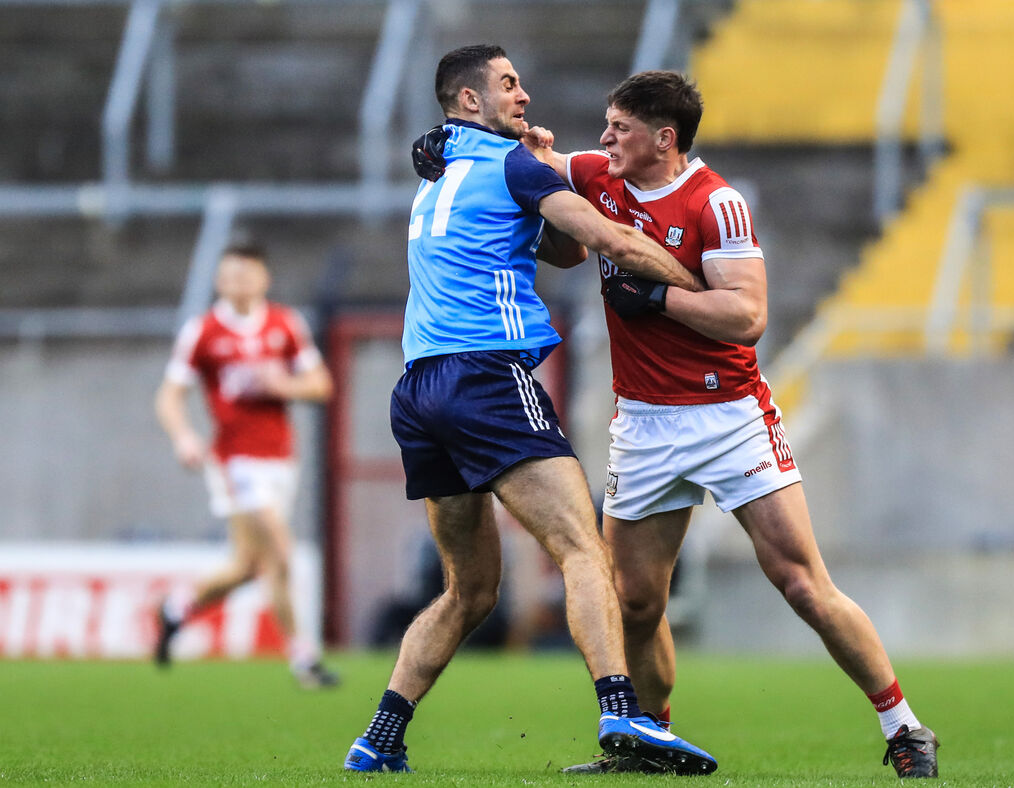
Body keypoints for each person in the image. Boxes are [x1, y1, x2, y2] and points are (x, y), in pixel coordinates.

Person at [523, 70, 940, 778]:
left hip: (729, 418)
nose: (603, 139)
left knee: (801, 581)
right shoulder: (601, 174)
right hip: (645, 423)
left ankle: (904, 726)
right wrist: (491, 147)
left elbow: (747, 317)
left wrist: (658, 297)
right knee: (635, 600)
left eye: (619, 128)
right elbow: (541, 168)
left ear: (664, 138)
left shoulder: (717, 203)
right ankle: (652, 743)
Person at [341, 45, 716, 775]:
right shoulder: (510, 166)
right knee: (584, 552)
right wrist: (702, 294)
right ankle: (623, 713)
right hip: (486, 379)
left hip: (419, 390)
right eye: (508, 84)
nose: (524, 95)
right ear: (470, 101)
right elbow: (608, 238)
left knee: (469, 589)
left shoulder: (443, 164)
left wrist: (538, 166)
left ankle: (380, 737)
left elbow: (561, 251)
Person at [153, 241, 339, 689]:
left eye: (247, 274)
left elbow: (321, 385)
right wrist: (184, 438)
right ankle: (305, 658)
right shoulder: (203, 331)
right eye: (230, 275)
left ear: (263, 278)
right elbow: (169, 394)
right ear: (219, 281)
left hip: (280, 459)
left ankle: (176, 607)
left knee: (247, 565)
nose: (239, 283)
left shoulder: (284, 324)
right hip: (234, 460)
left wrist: (285, 385)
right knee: (280, 549)